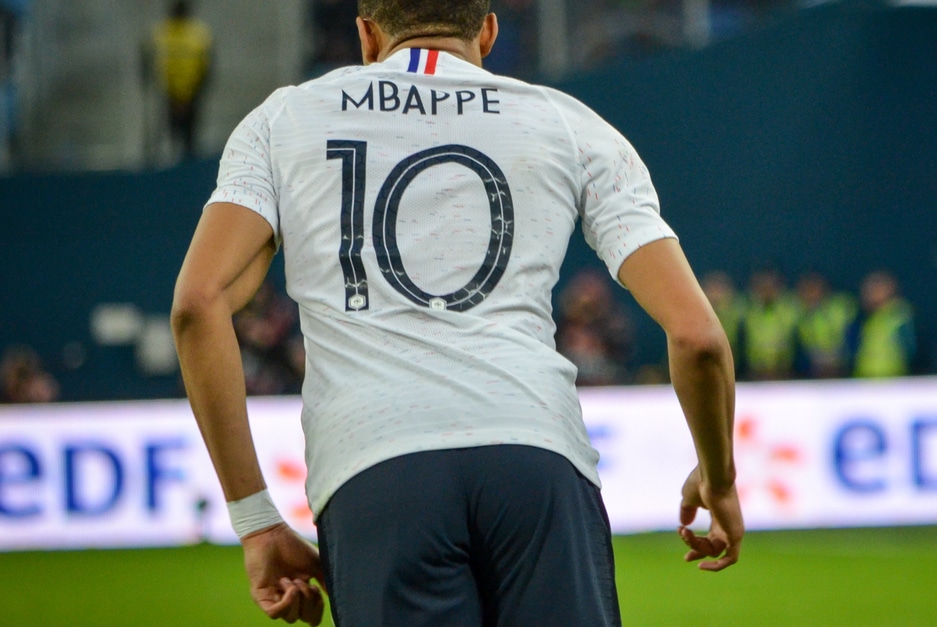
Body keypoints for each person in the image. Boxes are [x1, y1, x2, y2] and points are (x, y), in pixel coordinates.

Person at [171, 2, 742, 626]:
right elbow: (698, 336)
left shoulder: (283, 120)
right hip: (537, 458)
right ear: (488, 31)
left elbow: (197, 305)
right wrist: (717, 476)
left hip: (374, 468)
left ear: (366, 36)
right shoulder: (570, 124)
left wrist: (255, 521)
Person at [152, 0, 212, 160]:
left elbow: (157, 67)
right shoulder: (199, 34)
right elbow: (206, 68)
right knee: (187, 139)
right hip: (185, 97)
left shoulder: (162, 34)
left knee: (177, 138)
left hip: (173, 96)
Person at [555, 270, 634, 386]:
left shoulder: (612, 329)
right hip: (570, 386)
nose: (586, 302)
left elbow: (623, 359)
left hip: (607, 388)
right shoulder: (561, 328)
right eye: (583, 290)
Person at [845, 270, 915, 378]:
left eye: (877, 288)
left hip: (893, 375)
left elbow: (909, 347)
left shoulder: (898, 313)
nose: (871, 293)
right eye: (868, 290)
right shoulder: (861, 316)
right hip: (863, 375)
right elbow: (851, 347)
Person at [741, 268, 800, 380]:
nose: (767, 292)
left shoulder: (790, 311)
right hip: (755, 372)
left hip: (784, 371)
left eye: (770, 287)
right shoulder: (746, 311)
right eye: (762, 288)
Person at [795, 272, 855, 378]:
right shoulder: (799, 312)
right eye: (807, 290)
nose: (811, 293)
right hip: (814, 369)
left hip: (840, 366)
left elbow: (851, 337)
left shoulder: (839, 307)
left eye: (813, 289)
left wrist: (837, 356)